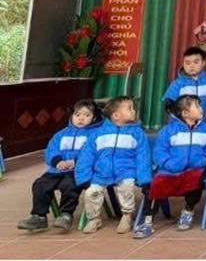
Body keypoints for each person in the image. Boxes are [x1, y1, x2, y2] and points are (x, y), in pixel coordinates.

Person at [135, 95, 206, 238]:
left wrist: (203, 160)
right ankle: (147, 222)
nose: (201, 109)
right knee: (154, 185)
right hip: (170, 170)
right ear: (185, 113)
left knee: (196, 182)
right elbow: (159, 151)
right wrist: (168, 163)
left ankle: (188, 210)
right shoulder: (168, 130)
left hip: (194, 169)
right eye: (197, 106)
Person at [18, 99, 102, 232]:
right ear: (72, 116)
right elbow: (51, 150)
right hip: (56, 170)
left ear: (94, 118)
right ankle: (39, 216)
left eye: (87, 115)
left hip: (79, 171)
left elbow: (94, 153)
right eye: (77, 115)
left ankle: (66, 215)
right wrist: (57, 161)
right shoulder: (61, 134)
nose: (81, 118)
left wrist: (75, 162)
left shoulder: (95, 134)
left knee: (68, 186)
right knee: (40, 184)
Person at [75, 96, 151, 234]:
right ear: (116, 115)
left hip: (126, 171)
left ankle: (127, 215)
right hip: (101, 173)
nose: (134, 111)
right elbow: (86, 157)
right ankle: (93, 218)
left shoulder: (137, 133)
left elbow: (143, 157)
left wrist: (144, 178)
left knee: (126, 188)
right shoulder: (98, 134)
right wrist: (83, 177)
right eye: (129, 109)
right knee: (92, 192)